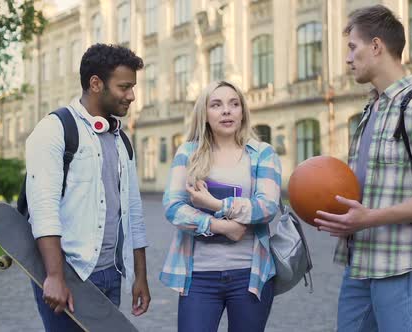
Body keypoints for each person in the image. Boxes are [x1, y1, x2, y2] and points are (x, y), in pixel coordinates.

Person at [312, 5, 412, 332]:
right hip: (360, 261)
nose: (348, 59)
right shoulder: (371, 108)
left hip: (400, 265)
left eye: (353, 47)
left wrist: (370, 218)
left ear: (376, 46)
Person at [24, 44, 151, 331]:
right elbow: (43, 209)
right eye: (124, 87)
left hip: (112, 272)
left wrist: (139, 276)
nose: (131, 95)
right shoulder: (54, 129)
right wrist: (54, 275)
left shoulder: (120, 139)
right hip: (70, 275)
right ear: (96, 84)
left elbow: (133, 213)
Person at [160, 80, 282, 331]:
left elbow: (267, 207)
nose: (227, 111)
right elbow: (173, 207)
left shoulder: (262, 153)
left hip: (249, 274)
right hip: (199, 277)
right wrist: (223, 227)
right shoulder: (188, 153)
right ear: (204, 114)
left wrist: (214, 203)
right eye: (216, 105)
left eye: (234, 104)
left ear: (242, 111)